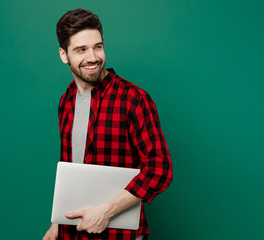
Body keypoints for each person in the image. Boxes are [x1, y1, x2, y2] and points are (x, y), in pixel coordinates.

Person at [43, 9, 173, 240]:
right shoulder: (67, 100)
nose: (92, 57)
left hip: (119, 235)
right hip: (71, 233)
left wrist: (105, 212)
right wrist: (57, 223)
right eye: (81, 50)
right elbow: (71, 170)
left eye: (98, 47)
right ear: (64, 55)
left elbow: (159, 169)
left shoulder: (134, 99)